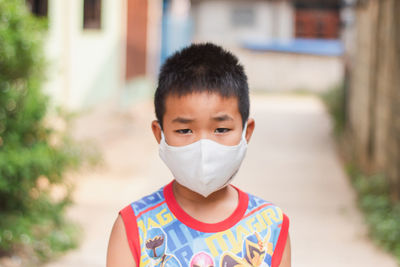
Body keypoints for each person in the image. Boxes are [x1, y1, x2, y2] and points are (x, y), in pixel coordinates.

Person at [106, 43, 291, 267]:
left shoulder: (270, 226)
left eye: (221, 129)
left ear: (246, 132)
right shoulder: (133, 227)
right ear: (160, 134)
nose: (204, 147)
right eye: (185, 130)